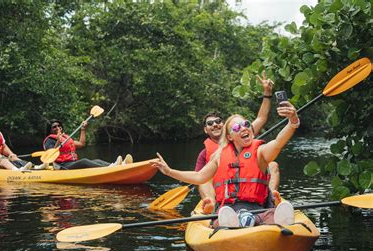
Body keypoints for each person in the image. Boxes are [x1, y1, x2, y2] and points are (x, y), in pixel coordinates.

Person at [151, 101, 300, 227]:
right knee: (224, 219)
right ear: (230, 136)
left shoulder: (260, 152)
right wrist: (169, 171)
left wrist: (292, 121)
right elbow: (199, 177)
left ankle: (268, 221)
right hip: (229, 209)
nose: (243, 128)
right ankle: (240, 222)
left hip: (258, 208)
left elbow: (279, 142)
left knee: (268, 216)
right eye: (236, 128)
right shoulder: (219, 155)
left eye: (246, 124)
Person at [196, 72, 280, 214]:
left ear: (224, 126)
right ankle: (210, 203)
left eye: (218, 121)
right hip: (222, 190)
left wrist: (267, 94)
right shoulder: (205, 153)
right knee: (204, 180)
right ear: (206, 129)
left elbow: (261, 118)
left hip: (249, 189)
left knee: (272, 164)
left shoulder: (241, 131)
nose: (215, 125)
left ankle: (272, 196)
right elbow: (199, 177)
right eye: (210, 123)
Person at [42, 119, 133, 170]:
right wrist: (58, 141)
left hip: (71, 163)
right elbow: (50, 156)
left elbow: (81, 144)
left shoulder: (65, 138)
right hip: (62, 166)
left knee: (97, 160)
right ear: (50, 130)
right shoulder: (49, 140)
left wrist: (82, 129)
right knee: (84, 161)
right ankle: (112, 169)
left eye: (59, 125)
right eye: (54, 127)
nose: (57, 128)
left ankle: (118, 165)